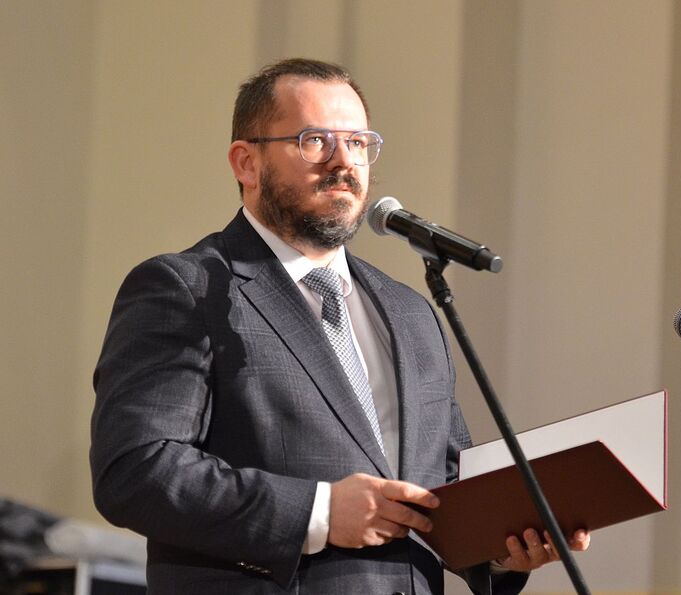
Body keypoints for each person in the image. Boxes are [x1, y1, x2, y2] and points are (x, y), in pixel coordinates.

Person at [90, 57, 589, 594]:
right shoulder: (188, 288)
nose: (342, 162)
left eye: (357, 143)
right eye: (314, 140)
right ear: (246, 163)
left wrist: (502, 549)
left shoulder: (410, 313)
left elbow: (441, 491)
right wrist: (320, 511)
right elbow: (135, 471)